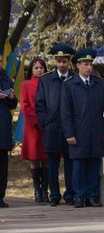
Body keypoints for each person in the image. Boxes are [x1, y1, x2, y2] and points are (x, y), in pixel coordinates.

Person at [61, 49, 104, 208]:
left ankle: (92, 195)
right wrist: (69, 133)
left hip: (96, 130)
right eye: (85, 64)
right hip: (78, 131)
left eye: (90, 64)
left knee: (94, 162)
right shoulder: (70, 84)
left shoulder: (99, 83)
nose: (89, 67)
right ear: (77, 65)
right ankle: (79, 195)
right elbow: (66, 111)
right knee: (78, 164)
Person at [35, 43, 76, 206]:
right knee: (52, 163)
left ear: (69, 61)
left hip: (70, 128)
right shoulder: (46, 80)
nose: (61, 64)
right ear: (55, 62)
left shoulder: (74, 79)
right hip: (52, 128)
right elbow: (40, 103)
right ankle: (54, 195)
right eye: (59, 61)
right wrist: (45, 122)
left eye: (64, 61)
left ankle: (70, 194)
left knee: (70, 162)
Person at [19, 57, 48, 204]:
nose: (39, 70)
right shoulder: (26, 85)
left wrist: (47, 120)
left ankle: (45, 190)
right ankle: (37, 190)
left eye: (41, 67)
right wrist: (36, 121)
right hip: (32, 127)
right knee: (35, 158)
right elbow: (24, 105)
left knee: (46, 158)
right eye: (36, 67)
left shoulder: (48, 83)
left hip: (47, 126)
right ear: (31, 69)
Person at [0, 68, 17, 208]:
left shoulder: (6, 78)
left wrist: (12, 97)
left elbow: (13, 104)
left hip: (3, 123)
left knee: (2, 163)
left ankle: (0, 196)